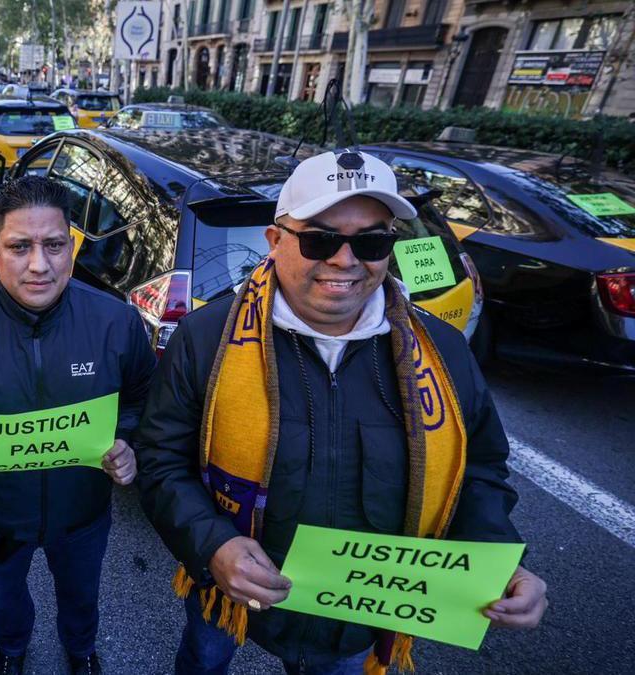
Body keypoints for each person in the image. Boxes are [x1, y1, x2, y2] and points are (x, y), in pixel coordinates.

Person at [134, 150, 548, 674]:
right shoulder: (206, 339)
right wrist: (213, 544)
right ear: (275, 241)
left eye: (372, 241)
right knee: (204, 659)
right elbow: (161, 460)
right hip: (229, 592)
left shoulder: (442, 351)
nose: (345, 261)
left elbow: (479, 471)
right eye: (320, 239)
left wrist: (501, 559)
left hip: (353, 619)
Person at [0, 176, 157, 675]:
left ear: (73, 246)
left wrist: (128, 442)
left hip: (83, 514)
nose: (39, 265)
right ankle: (12, 649)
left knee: (81, 595)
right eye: (20, 247)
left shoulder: (118, 324)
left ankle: (82, 650)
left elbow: (143, 398)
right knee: (3, 598)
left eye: (54, 245)